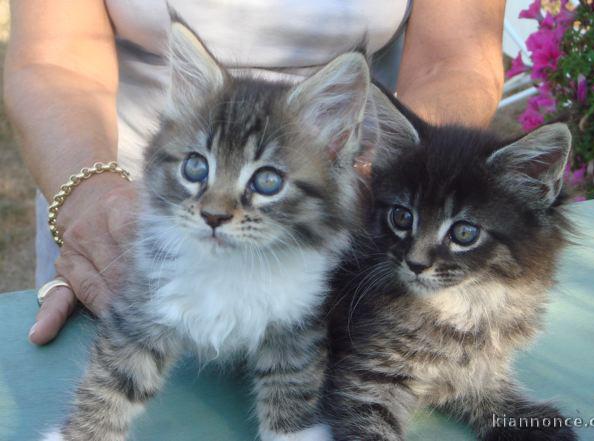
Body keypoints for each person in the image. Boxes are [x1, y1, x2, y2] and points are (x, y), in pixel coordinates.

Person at [4, 0, 505, 345]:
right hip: (137, 210)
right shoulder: (114, 214)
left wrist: (375, 190)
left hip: (335, 208)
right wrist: (90, 199)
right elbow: (54, 58)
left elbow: (456, 57)